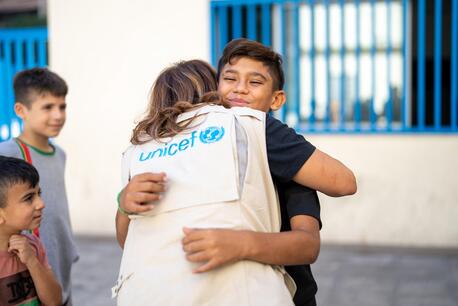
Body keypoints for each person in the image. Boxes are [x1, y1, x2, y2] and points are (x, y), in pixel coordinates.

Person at [118, 39, 356, 306]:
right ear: (215, 90)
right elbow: (132, 239)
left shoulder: (276, 145)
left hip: (283, 294)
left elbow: (309, 242)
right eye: (230, 79)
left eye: (255, 82)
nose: (240, 89)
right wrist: (124, 203)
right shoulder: (187, 157)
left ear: (276, 98)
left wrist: (241, 244)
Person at [0, 68, 79, 305]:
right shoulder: (7, 153)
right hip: (22, 267)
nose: (58, 115)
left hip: (57, 263)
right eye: (47, 107)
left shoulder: (60, 155)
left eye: (62, 106)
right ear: (21, 110)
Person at [0, 156, 62, 306]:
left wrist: (32, 261)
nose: (41, 204)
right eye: (29, 198)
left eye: (38, 194)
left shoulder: (33, 245)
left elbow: (54, 301)